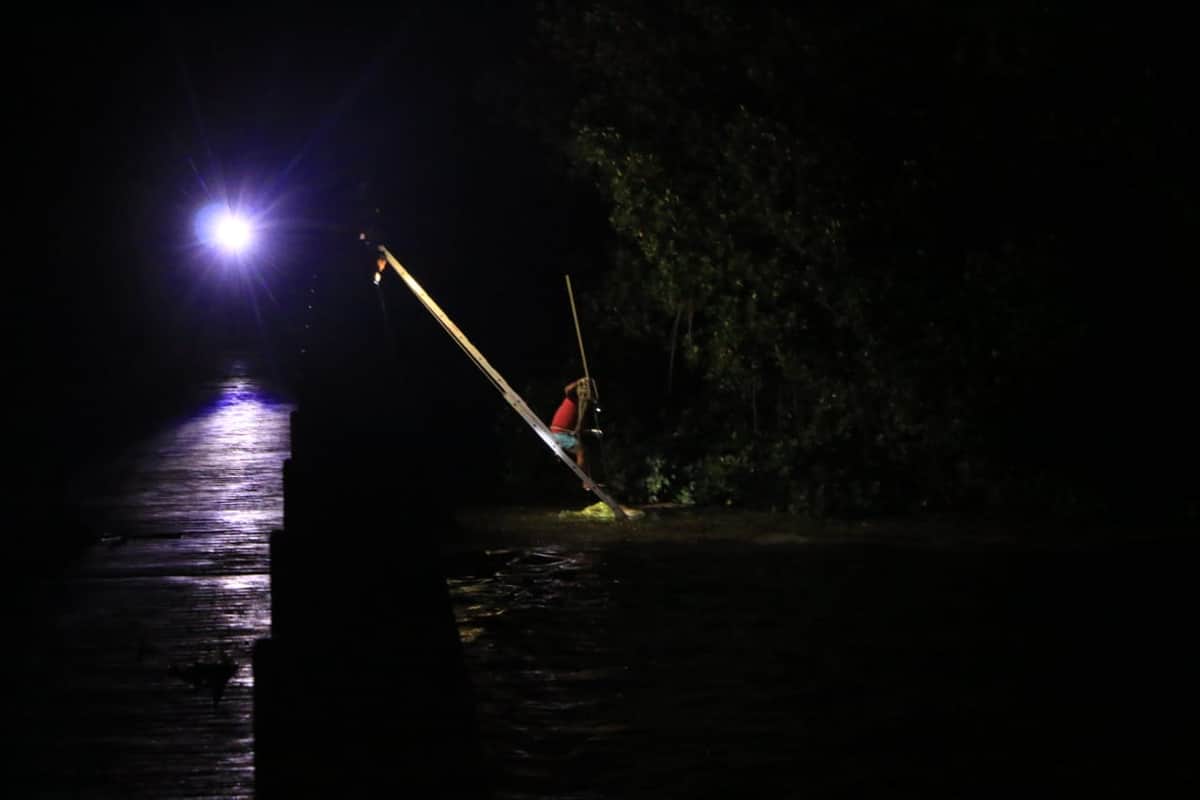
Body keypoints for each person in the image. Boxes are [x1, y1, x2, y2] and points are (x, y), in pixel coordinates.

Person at [549, 378, 592, 479]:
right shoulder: (571, 397)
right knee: (581, 451)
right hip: (558, 433)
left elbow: (579, 426)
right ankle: (582, 479)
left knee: (585, 451)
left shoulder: (580, 407)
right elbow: (567, 389)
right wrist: (579, 382)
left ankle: (586, 477)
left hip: (563, 433)